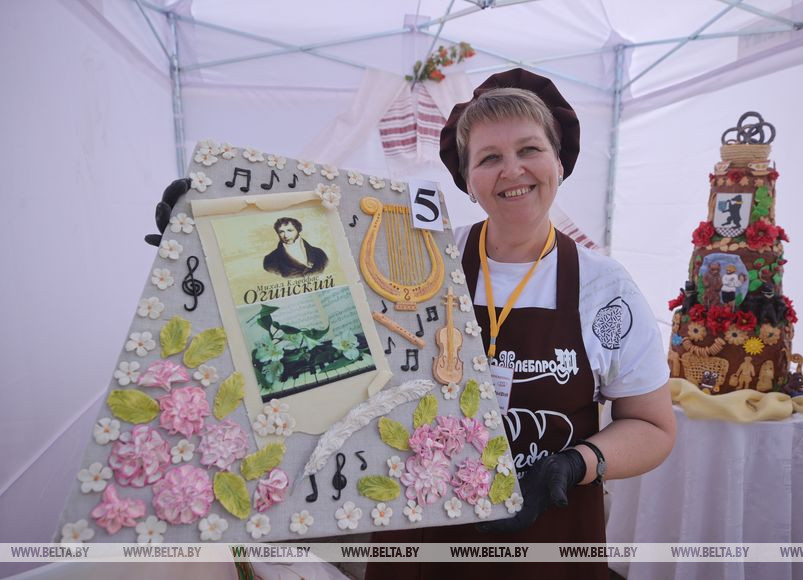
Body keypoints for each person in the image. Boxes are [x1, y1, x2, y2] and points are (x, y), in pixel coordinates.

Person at [366, 68, 676, 580]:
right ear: (467, 180)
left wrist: (577, 463)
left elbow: (653, 425)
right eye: (489, 158)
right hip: (421, 538)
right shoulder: (425, 263)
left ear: (559, 162)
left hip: (548, 543)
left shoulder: (605, 288)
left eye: (529, 149)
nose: (512, 170)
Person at [263, 216, 328, 277]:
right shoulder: (270, 260)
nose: (286, 235)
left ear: (298, 230)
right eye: (281, 232)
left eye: (289, 230)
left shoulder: (319, 253)